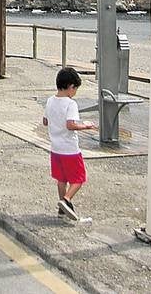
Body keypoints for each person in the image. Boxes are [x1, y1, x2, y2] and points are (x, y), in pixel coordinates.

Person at [43, 67, 95, 222]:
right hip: (70, 148)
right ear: (71, 86)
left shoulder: (50, 100)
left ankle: (62, 209)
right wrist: (85, 125)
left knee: (61, 178)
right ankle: (66, 200)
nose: (75, 92)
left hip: (55, 148)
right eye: (75, 89)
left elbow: (45, 121)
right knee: (79, 178)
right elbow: (70, 125)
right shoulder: (70, 104)